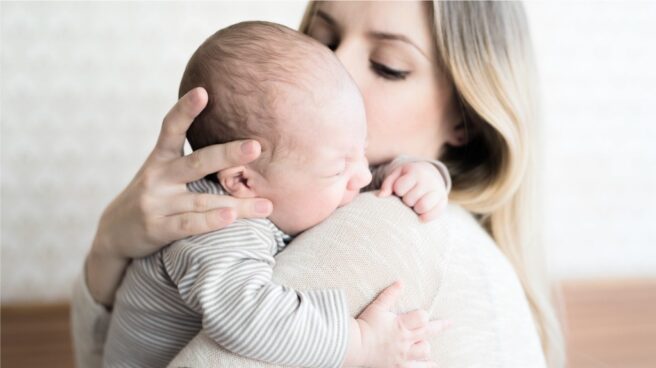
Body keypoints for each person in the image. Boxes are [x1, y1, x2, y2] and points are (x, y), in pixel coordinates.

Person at [72, 1, 564, 367]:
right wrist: (111, 244)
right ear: (242, 177)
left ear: (466, 118)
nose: (336, 72)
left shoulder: (388, 224)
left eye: (387, 65)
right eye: (321, 39)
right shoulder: (225, 223)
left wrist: (422, 175)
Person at [102, 21, 450, 368]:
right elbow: (247, 317)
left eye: (363, 148)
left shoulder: (297, 174)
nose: (362, 175)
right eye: (338, 168)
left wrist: (413, 173)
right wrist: (359, 343)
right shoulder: (216, 226)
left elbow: (352, 172)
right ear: (243, 182)